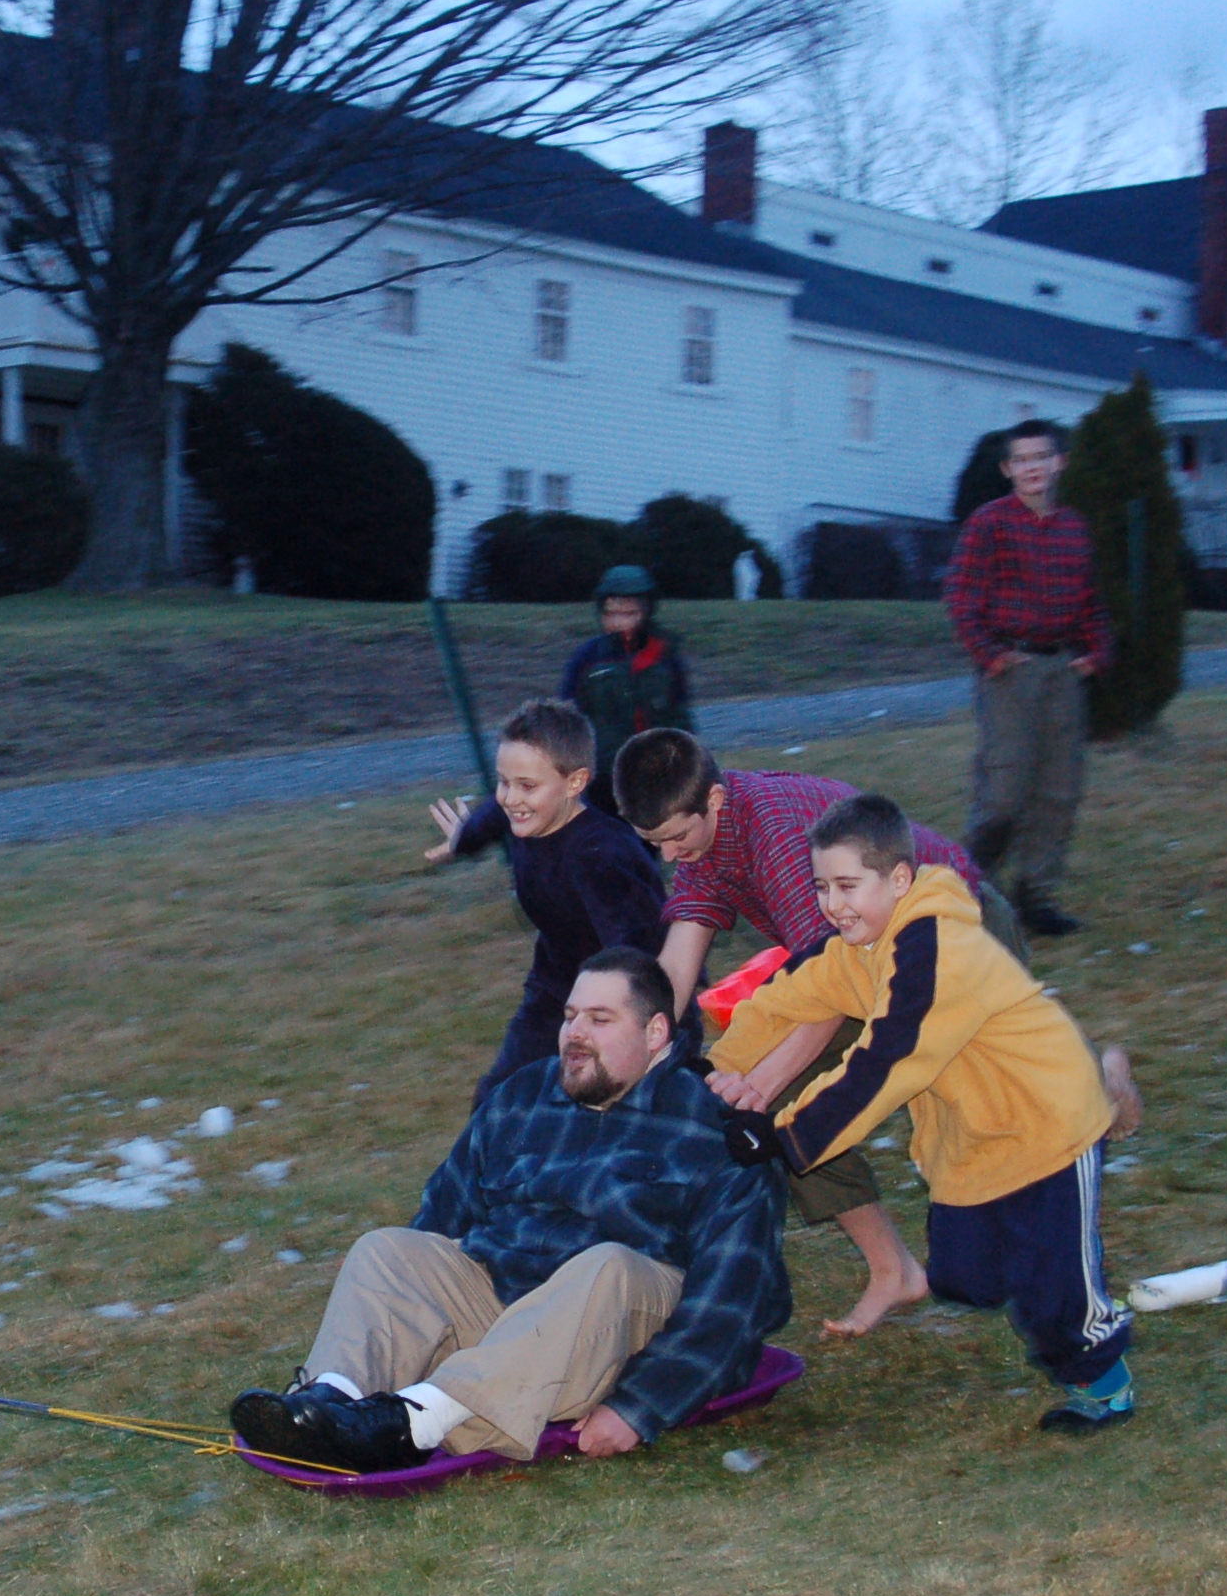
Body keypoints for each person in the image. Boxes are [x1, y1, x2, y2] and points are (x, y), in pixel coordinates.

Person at [609, 729, 1137, 1340]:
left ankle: (1095, 1089)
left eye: (675, 837)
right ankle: (896, 1271)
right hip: (863, 954)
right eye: (653, 842)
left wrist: (761, 1086)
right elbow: (680, 964)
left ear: (715, 801)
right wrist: (640, 1054)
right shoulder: (703, 844)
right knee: (779, 1103)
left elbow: (831, 991)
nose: (669, 854)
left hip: (958, 931)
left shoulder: (782, 841)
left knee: (990, 1097)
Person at [227, 947, 789, 1475]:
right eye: (570, 1016)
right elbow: (442, 1216)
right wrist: (412, 1317)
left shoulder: (714, 1128)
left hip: (621, 1332)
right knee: (388, 1250)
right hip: (508, 1320)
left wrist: (641, 1407)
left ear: (656, 1033)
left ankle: (413, 1424)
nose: (575, 1033)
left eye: (600, 1019)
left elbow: (736, 1303)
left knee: (607, 1266)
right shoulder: (525, 1096)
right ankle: (332, 1403)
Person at [708, 795, 1137, 1435]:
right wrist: (716, 1070)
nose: (832, 904)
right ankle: (1112, 1093)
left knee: (1054, 1293)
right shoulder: (855, 950)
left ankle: (1104, 1384)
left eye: (848, 886)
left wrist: (782, 1135)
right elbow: (784, 1000)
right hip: (976, 1136)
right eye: (821, 887)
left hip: (1048, 1122)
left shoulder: (938, 948)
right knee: (964, 1279)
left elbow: (886, 1063)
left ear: (900, 880)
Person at [421, 698, 669, 1105]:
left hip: (624, 1002)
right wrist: (462, 841)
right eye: (503, 781)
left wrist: (627, 1034)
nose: (509, 797)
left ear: (575, 783)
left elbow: (640, 956)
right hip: (555, 986)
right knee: (500, 1101)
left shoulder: (602, 859)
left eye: (526, 786)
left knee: (604, 1106)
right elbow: (491, 816)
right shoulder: (527, 814)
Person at [944, 419, 1111, 938]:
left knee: (1059, 789)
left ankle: (1037, 897)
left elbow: (1092, 600)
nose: (1032, 467)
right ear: (1007, 469)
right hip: (1010, 670)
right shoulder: (989, 524)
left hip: (1062, 669)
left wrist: (1097, 654)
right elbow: (961, 598)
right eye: (1021, 460)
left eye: (1040, 457)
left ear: (1058, 462)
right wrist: (991, 657)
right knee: (1005, 790)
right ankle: (969, 896)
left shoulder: (1073, 528)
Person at [555, 562, 692, 816]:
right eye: (612, 614)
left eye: (630, 614)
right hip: (603, 778)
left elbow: (680, 716)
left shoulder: (665, 656)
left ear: (647, 612)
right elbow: (566, 718)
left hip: (656, 776)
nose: (621, 623)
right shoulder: (588, 658)